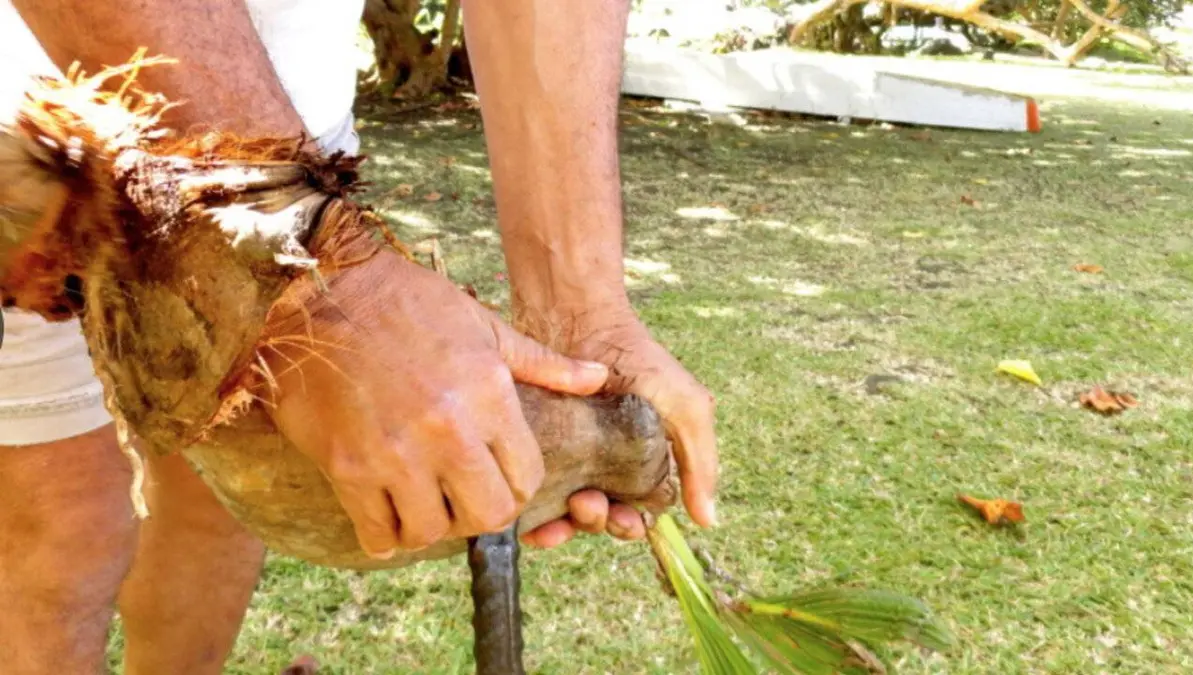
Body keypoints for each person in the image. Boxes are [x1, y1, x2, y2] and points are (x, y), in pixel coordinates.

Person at [0, 1, 719, 673]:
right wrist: (325, 287)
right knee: (61, 529)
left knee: (215, 503)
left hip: (289, 120)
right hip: (27, 140)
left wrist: (582, 307)